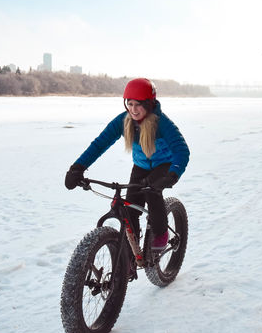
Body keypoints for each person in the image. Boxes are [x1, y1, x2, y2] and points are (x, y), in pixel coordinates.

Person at [64, 78, 190, 250]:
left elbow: (181, 150)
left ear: (149, 103)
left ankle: (161, 233)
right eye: (129, 104)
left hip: (164, 165)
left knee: (152, 193)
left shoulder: (162, 123)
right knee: (131, 209)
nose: (133, 109)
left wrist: (173, 174)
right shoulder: (123, 121)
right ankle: (133, 249)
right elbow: (100, 143)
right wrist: (77, 167)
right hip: (141, 166)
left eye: (138, 104)